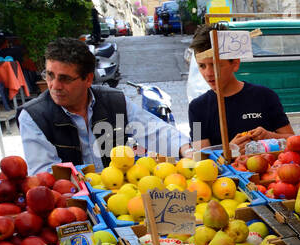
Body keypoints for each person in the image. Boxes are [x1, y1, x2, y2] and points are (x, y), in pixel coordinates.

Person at [18, 37, 190, 175]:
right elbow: (45, 173)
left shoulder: (114, 102)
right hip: (71, 204)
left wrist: (185, 149)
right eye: (49, 75)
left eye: (65, 79)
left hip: (117, 195)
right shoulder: (34, 117)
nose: (54, 85)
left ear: (88, 79)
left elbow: (154, 130)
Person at [187, 24, 293, 154]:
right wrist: (228, 150)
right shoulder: (196, 108)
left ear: (235, 64)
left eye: (215, 65)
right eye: (202, 66)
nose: (208, 73)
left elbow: (294, 140)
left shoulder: (265, 96)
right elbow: (199, 156)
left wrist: (271, 137)